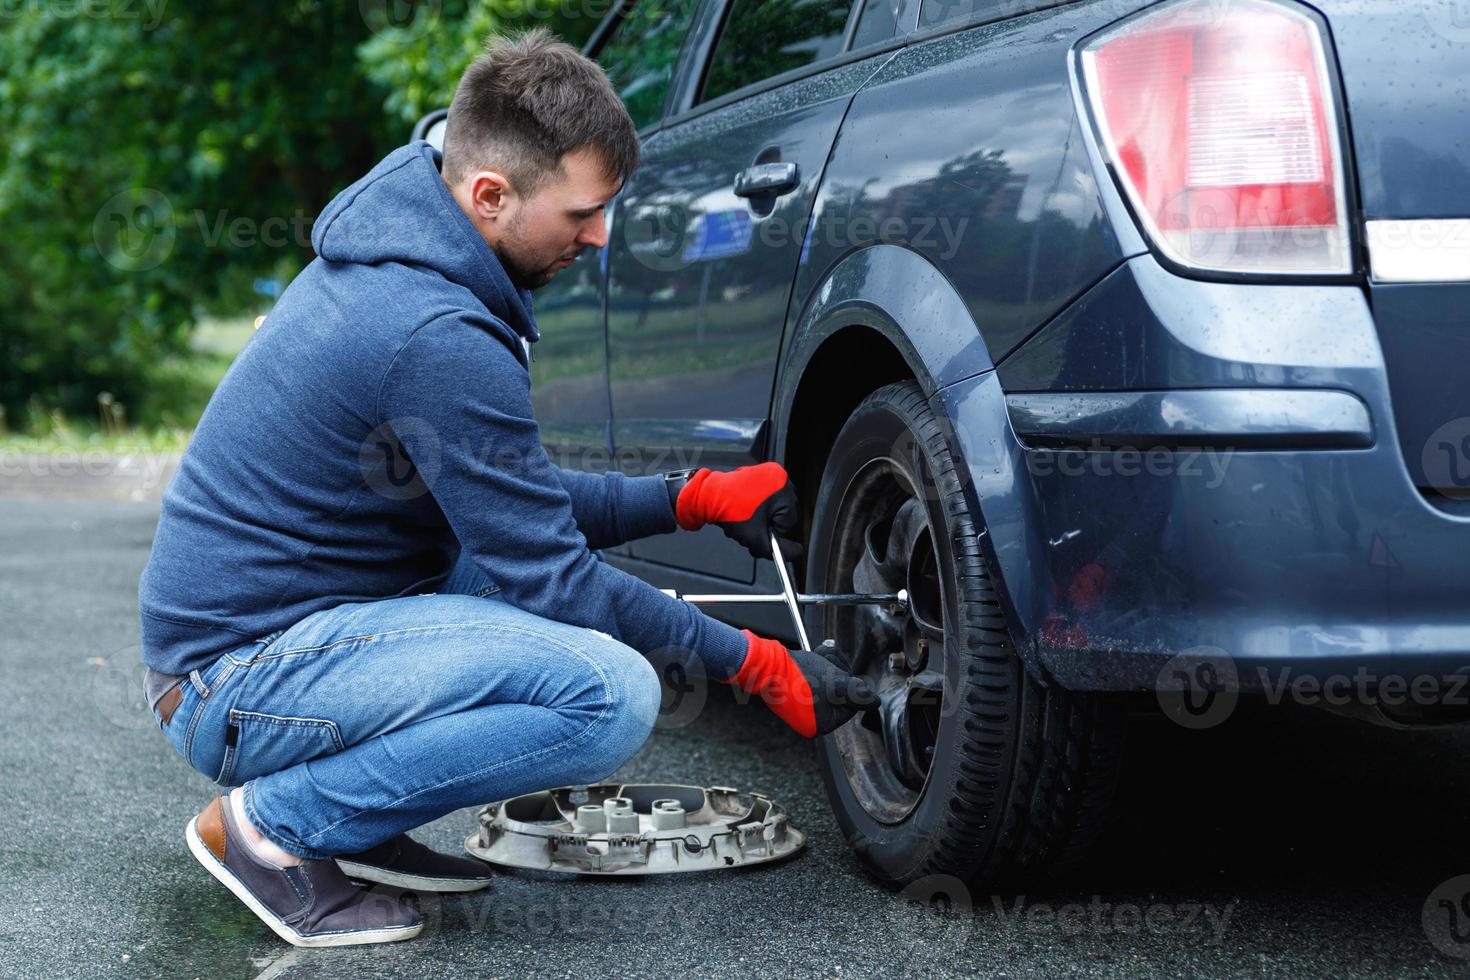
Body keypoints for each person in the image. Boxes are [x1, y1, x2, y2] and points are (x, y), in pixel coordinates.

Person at [137, 29, 871, 949]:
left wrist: (688, 497)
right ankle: (270, 834)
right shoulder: (433, 327)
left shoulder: (416, 255)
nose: (599, 237)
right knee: (608, 695)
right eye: (580, 214)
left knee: (509, 580)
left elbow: (512, 508)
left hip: (287, 638)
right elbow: (558, 581)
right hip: (235, 681)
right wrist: (754, 664)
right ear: (490, 196)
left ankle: (351, 826)